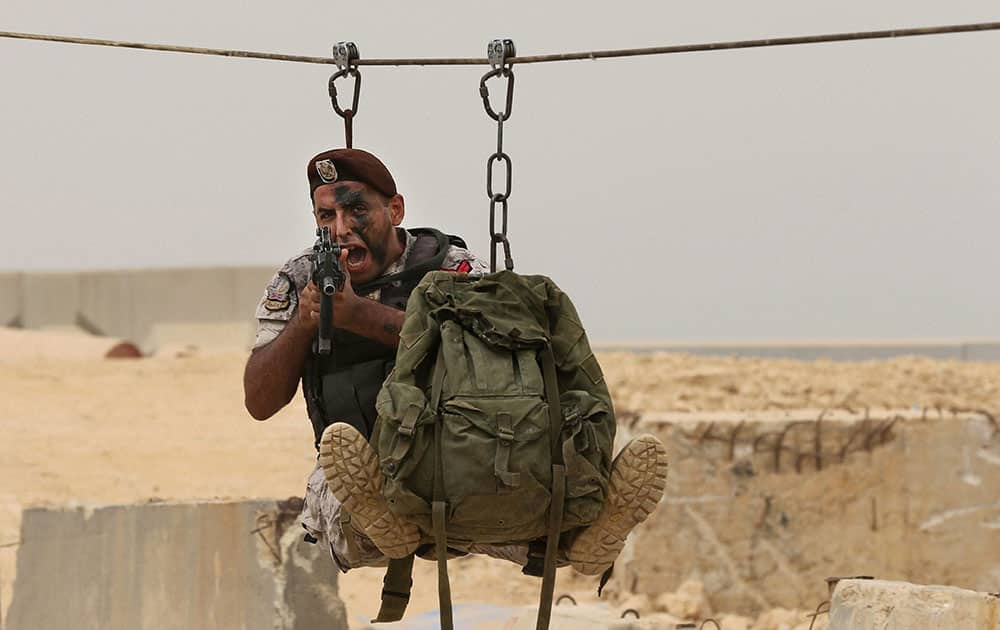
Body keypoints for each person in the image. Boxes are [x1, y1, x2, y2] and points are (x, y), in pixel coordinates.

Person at [243, 147, 668, 576]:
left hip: (452, 453)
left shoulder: (453, 269)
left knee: (516, 509)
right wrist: (304, 323)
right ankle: (387, 517)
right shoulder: (299, 278)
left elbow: (495, 360)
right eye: (326, 217)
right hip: (363, 464)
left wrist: (359, 316)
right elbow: (259, 402)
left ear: (394, 210)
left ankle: (581, 534)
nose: (342, 229)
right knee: (344, 512)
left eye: (357, 211)